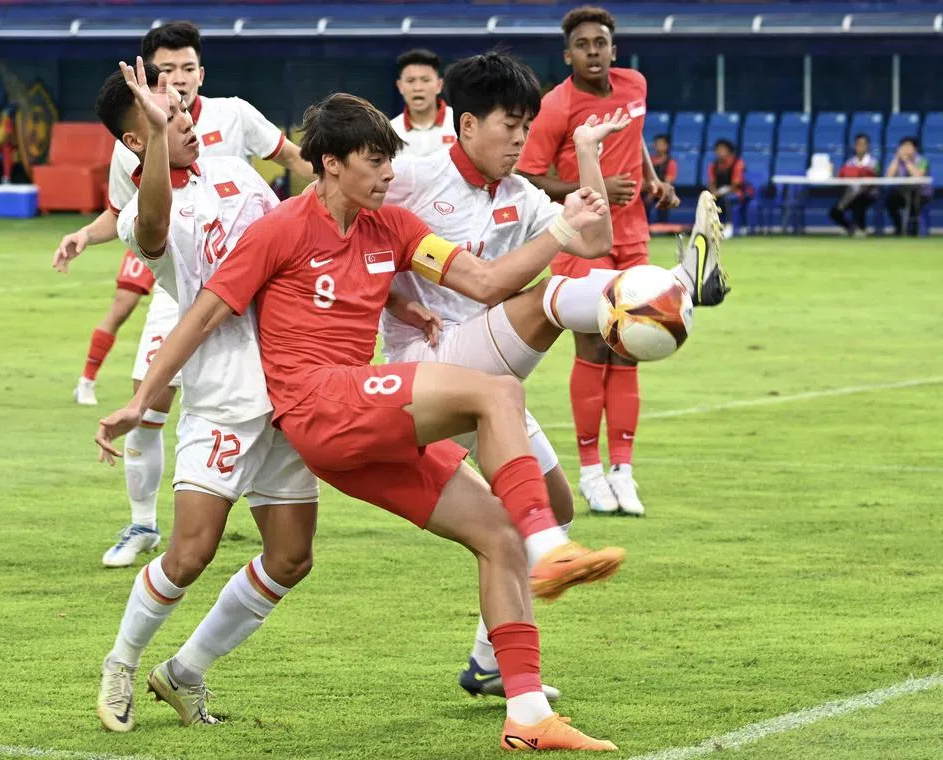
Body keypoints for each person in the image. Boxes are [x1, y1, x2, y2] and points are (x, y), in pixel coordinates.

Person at [96, 91, 626, 751]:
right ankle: (553, 550)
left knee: (496, 536)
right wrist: (141, 398)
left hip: (354, 415)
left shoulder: (394, 228)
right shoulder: (282, 227)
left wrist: (563, 232)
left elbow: (487, 283)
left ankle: (526, 714)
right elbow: (202, 313)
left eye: (388, 162)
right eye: (374, 163)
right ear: (330, 164)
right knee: (496, 394)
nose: (385, 175)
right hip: (314, 404)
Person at [381, 51, 728, 698]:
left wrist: (588, 151)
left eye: (525, 125)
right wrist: (392, 298)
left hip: (487, 378)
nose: (518, 139)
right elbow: (355, 229)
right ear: (463, 125)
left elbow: (593, 242)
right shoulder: (411, 176)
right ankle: (680, 282)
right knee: (549, 297)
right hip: (420, 372)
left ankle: (488, 662)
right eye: (507, 125)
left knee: (551, 509)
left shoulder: (516, 192)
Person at [91, 60, 322, 733]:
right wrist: (161, 141)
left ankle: (184, 673)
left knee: (291, 556)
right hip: (222, 397)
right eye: (165, 119)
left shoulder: (236, 173)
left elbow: (293, 243)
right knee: (191, 551)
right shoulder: (143, 213)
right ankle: (123, 661)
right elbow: (158, 226)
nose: (187, 120)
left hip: (290, 390)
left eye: (185, 110)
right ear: (137, 142)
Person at [51, 21, 314, 569]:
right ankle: (143, 522)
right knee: (149, 408)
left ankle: (255, 504)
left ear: (202, 71)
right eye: (167, 70)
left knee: (273, 406)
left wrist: (325, 194)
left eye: (187, 68)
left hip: (253, 292)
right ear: (148, 74)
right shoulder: (137, 147)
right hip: (181, 291)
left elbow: (291, 158)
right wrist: (84, 234)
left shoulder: (234, 117)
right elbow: (135, 218)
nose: (180, 80)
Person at [517, 5, 680, 517]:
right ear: (568, 55)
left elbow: (633, 134)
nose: (593, 51)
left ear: (614, 48)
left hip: (633, 236)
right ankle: (590, 473)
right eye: (583, 44)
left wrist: (651, 178)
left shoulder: (635, 85)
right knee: (593, 344)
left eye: (601, 42)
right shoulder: (555, 106)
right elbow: (530, 175)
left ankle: (623, 472)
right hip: (585, 238)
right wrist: (598, 188)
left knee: (633, 344)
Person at [389, 48, 457, 157]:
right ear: (400, 86)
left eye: (425, 80)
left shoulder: (460, 124)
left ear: (439, 85)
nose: (418, 88)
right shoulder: (390, 131)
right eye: (410, 81)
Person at [829, 133, 879, 237]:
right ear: (855, 146)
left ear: (868, 146)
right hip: (850, 193)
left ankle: (861, 228)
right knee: (834, 212)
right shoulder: (850, 162)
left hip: (868, 194)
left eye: (863, 144)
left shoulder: (874, 162)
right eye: (858, 144)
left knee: (859, 201)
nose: (861, 147)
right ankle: (851, 229)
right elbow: (842, 178)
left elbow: (875, 177)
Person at [885, 136, 929, 237]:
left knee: (913, 199)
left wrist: (906, 161)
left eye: (908, 146)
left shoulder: (921, 160)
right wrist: (896, 158)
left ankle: (913, 231)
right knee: (890, 200)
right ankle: (899, 228)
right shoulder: (897, 161)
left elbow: (918, 176)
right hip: (902, 192)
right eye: (903, 147)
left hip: (920, 193)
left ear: (915, 149)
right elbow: (889, 176)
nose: (905, 149)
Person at [707, 138, 750, 238]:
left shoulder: (737, 163)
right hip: (718, 192)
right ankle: (712, 227)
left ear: (729, 151)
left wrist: (720, 192)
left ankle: (729, 226)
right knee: (707, 199)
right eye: (718, 150)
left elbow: (736, 183)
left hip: (737, 192)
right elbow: (711, 182)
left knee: (727, 199)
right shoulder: (713, 165)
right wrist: (713, 194)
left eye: (722, 150)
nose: (719, 152)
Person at [649, 133, 678, 223]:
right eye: (657, 144)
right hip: (648, 189)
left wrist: (653, 194)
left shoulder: (671, 162)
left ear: (667, 146)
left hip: (662, 190)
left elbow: (668, 181)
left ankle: (662, 225)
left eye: (662, 144)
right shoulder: (649, 161)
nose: (658, 146)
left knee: (665, 196)